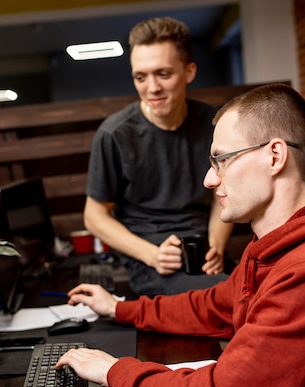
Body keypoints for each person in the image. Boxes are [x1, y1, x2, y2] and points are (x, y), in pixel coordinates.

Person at [56, 83, 305, 387]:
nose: (210, 179)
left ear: (275, 156)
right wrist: (121, 309)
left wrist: (113, 372)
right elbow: (214, 305)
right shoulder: (277, 245)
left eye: (221, 160)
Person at [83, 17, 234, 297]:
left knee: (262, 288)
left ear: (189, 72)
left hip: (203, 249)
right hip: (150, 258)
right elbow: (94, 216)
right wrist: (152, 255)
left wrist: (216, 243)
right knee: (230, 298)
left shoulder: (214, 123)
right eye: (141, 77)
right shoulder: (114, 134)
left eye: (163, 74)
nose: (152, 88)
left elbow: (222, 194)